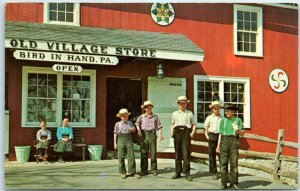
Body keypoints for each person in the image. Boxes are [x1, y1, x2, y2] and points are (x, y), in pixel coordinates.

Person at [216, 104, 245, 189]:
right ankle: (223, 183)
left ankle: (233, 183)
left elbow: (242, 134)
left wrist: (238, 130)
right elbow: (220, 135)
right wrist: (218, 146)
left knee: (234, 164)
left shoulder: (238, 120)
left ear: (233, 111)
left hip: (234, 142)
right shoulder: (223, 121)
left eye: (228, 111)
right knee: (223, 164)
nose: (226, 113)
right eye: (225, 111)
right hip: (224, 142)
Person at [171, 96, 196, 181]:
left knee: (186, 153)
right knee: (178, 153)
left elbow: (194, 124)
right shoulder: (175, 113)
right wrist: (172, 133)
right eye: (180, 103)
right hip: (177, 132)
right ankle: (177, 172)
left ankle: (187, 173)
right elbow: (172, 123)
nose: (182, 105)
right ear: (178, 104)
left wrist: (192, 133)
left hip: (186, 132)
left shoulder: (189, 113)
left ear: (186, 104)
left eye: (184, 103)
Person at [136, 100, 163, 176]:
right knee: (144, 152)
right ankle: (144, 170)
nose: (149, 109)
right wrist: (138, 130)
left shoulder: (155, 116)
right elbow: (137, 124)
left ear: (152, 108)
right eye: (147, 108)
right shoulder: (141, 117)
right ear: (145, 109)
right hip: (144, 134)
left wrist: (160, 134)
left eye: (150, 107)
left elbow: (159, 126)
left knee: (153, 153)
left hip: (152, 134)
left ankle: (153, 169)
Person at [114, 108, 141, 179]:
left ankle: (133, 172)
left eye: (126, 116)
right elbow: (115, 134)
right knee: (121, 156)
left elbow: (134, 129)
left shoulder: (130, 123)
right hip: (120, 140)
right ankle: (123, 172)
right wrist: (115, 143)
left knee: (131, 155)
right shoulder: (118, 124)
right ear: (120, 117)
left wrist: (132, 129)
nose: (125, 117)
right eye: (123, 116)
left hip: (129, 139)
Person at [204, 101, 222, 180]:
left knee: (221, 155)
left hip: (220, 136)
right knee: (212, 154)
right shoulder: (209, 118)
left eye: (218, 109)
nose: (216, 110)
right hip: (212, 135)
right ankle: (214, 172)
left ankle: (223, 172)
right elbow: (205, 127)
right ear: (212, 109)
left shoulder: (222, 118)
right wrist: (206, 135)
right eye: (215, 109)